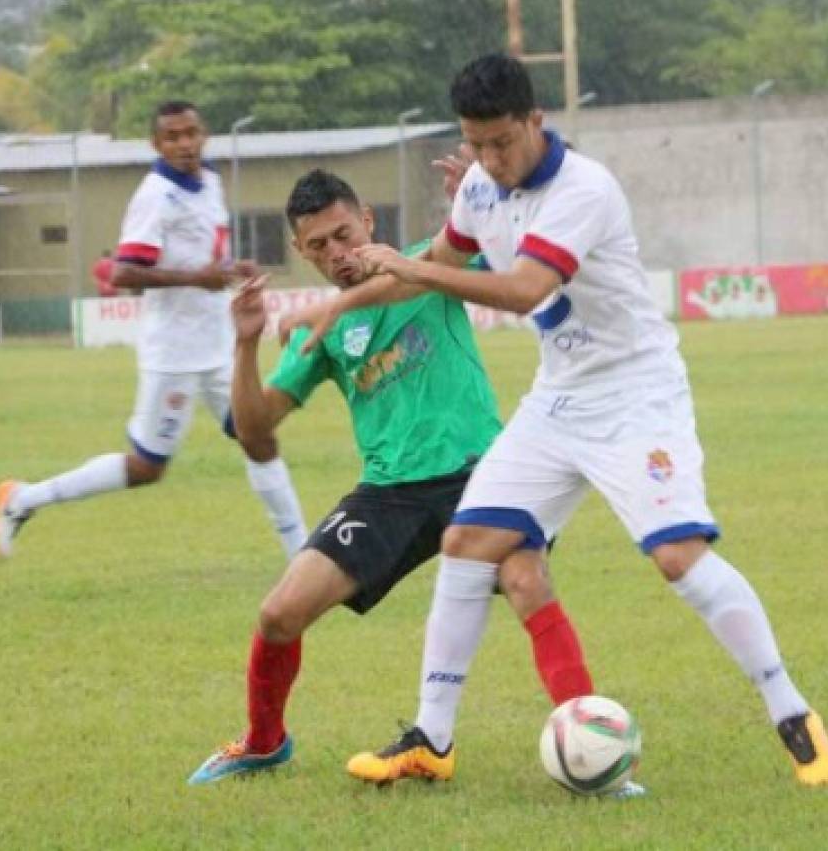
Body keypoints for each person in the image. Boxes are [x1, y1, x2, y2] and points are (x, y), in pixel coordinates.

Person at [324, 54, 828, 788]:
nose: (490, 160)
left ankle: (790, 711)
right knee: (467, 541)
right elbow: (441, 254)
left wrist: (407, 269)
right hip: (559, 397)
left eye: (502, 142)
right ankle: (430, 740)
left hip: (636, 395)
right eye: (476, 144)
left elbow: (523, 289)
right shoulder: (478, 182)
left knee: (674, 556)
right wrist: (336, 304)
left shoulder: (583, 188)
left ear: (534, 121)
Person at [187, 169, 605, 787]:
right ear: (301, 253)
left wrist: (482, 198)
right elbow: (255, 430)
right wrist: (245, 345)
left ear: (369, 223)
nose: (337, 254)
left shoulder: (424, 268)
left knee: (525, 578)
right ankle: (263, 741)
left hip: (481, 475)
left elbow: (480, 244)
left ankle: (592, 742)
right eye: (320, 246)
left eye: (344, 234)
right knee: (279, 614)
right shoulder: (327, 327)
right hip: (389, 493)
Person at [0, 100, 307, 559]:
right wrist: (196, 279)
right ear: (156, 145)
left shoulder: (211, 181)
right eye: (173, 137)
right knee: (146, 467)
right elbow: (123, 274)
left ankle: (301, 554)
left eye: (191, 133)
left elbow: (202, 253)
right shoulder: (155, 196)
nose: (184, 144)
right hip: (174, 352)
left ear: (204, 135)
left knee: (258, 435)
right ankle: (22, 499)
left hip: (219, 344)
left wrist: (227, 268)